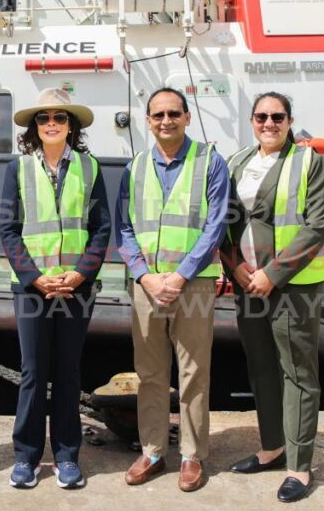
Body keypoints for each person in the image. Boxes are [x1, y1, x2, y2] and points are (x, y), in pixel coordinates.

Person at [116, 87, 230, 492]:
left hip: (193, 284)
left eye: (174, 113)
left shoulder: (209, 162)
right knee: (149, 372)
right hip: (147, 285)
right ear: (148, 120)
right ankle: (152, 450)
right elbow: (125, 228)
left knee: (194, 371)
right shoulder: (136, 167)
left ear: (187, 117)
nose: (166, 120)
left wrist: (179, 275)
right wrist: (146, 276)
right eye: (158, 114)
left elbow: (215, 225)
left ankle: (191, 455)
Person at [221, 92, 324, 503]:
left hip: (293, 288)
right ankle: (271, 447)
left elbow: (317, 226)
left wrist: (274, 273)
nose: (269, 123)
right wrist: (234, 267)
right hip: (246, 284)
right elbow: (224, 222)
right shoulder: (236, 162)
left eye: (277, 116)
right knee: (262, 368)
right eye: (261, 116)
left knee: (298, 373)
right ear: (251, 120)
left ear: (289, 120)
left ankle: (299, 468)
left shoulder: (309, 162)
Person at [0, 88, 111, 490]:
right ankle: (26, 458)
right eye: (43, 119)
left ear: (70, 126)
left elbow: (101, 229)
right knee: (33, 373)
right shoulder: (18, 169)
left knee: (67, 372)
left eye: (59, 118)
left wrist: (80, 274)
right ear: (35, 127)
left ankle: (66, 457)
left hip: (76, 288)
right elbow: (8, 230)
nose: (51, 124)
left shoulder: (89, 167)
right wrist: (33, 277)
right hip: (32, 288)